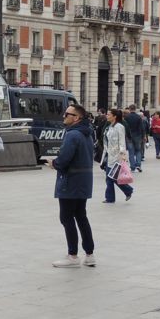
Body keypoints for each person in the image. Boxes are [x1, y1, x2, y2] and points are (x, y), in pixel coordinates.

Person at [50, 103, 96, 268]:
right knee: (81, 216)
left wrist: (54, 163)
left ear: (76, 117)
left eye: (67, 114)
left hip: (71, 181)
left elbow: (64, 158)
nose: (64, 116)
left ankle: (73, 256)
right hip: (84, 180)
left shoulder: (72, 134)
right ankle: (89, 254)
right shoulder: (87, 133)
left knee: (66, 217)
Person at [101, 107, 133, 203]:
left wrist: (122, 154)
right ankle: (114, 196)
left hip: (117, 155)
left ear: (114, 116)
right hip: (109, 154)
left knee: (111, 177)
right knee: (110, 177)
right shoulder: (109, 126)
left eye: (109, 114)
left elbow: (122, 141)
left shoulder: (119, 127)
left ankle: (126, 190)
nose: (107, 116)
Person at [123, 104, 145, 172]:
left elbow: (125, 127)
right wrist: (143, 136)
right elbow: (142, 128)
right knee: (138, 150)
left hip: (129, 136)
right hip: (137, 136)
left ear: (129, 109)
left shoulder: (126, 117)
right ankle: (138, 165)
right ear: (135, 109)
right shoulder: (138, 117)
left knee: (131, 152)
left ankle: (132, 167)